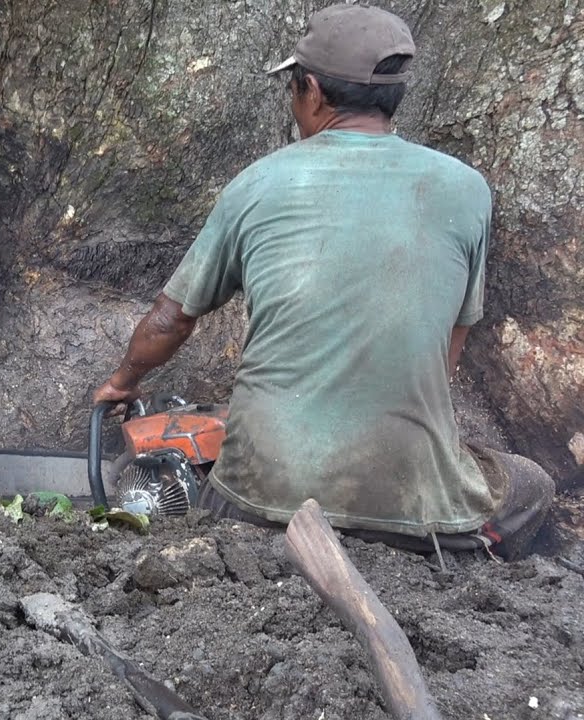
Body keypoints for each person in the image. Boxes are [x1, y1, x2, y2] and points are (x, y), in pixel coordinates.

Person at [92, 4, 554, 560]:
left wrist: (122, 382)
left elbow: (171, 319)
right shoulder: (467, 190)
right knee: (531, 484)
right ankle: (458, 556)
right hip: (415, 511)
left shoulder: (256, 184)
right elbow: (450, 342)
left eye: (293, 89)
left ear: (310, 91)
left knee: (223, 465)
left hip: (258, 507)